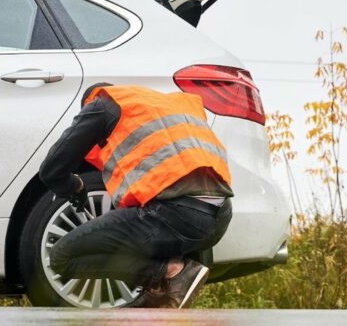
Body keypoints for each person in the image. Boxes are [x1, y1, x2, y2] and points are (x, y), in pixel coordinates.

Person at [38, 82, 233, 308]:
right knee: (143, 227)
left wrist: (76, 186)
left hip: (178, 215)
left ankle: (172, 273)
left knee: (61, 257)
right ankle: (162, 289)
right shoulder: (160, 107)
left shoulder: (102, 105)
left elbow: (51, 170)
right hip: (219, 218)